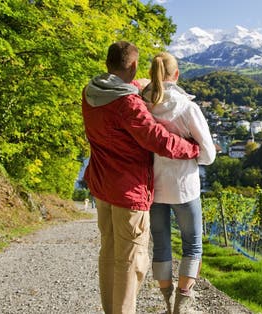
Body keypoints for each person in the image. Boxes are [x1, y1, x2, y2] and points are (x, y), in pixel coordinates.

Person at [81, 41, 200, 314]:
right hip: (128, 192)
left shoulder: (91, 92)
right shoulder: (127, 104)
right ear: (134, 66)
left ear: (107, 64)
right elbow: (157, 139)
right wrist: (193, 149)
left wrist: (137, 86)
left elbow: (119, 98)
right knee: (130, 262)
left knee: (109, 255)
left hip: (102, 186)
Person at [142, 52, 216, 314]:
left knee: (161, 243)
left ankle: (165, 298)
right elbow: (208, 155)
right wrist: (193, 148)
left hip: (154, 187)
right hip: (185, 187)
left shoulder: (142, 106)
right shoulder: (187, 108)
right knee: (192, 244)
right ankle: (182, 303)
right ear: (176, 75)